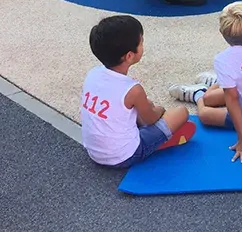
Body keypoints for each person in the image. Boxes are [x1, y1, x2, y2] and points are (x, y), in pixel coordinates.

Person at [168, 1, 242, 163]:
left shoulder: (223, 60)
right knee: (213, 97)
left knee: (205, 113)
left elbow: (233, 99)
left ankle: (197, 94)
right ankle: (219, 83)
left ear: (223, 34)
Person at [80, 15, 195, 168]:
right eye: (141, 42)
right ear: (129, 55)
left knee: (143, 105)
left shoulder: (92, 74)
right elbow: (151, 119)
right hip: (124, 156)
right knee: (181, 112)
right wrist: (160, 110)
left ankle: (152, 134)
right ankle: (159, 142)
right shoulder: (133, 89)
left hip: (95, 153)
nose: (143, 45)